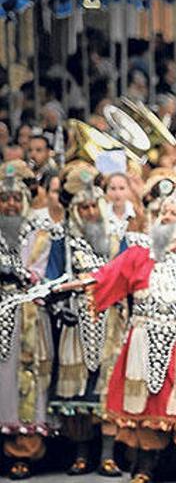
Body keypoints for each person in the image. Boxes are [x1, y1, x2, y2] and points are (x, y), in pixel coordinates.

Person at [56, 186, 176, 483]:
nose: (166, 217)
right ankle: (144, 471)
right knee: (148, 406)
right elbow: (106, 276)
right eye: (163, 213)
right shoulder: (139, 254)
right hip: (143, 339)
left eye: (174, 213)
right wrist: (63, 289)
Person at [43, 161, 127, 477]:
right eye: (84, 207)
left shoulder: (118, 239)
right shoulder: (61, 241)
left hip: (112, 321)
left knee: (107, 387)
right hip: (75, 320)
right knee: (78, 389)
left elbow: (129, 275)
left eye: (95, 206)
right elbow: (51, 279)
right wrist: (60, 297)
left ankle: (107, 455)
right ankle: (80, 454)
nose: (90, 212)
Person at [0, 162, 52, 481]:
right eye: (4, 199)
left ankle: (24, 449)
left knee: (25, 381)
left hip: (30, 315)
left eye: (16, 198)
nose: (10, 205)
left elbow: (43, 275)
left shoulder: (42, 232)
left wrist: (17, 273)